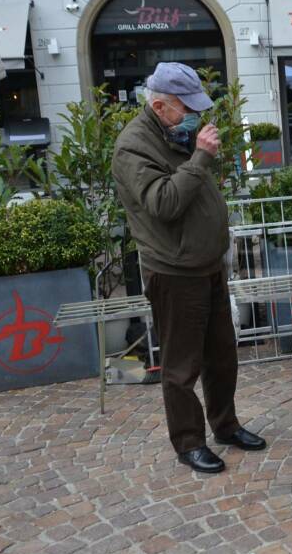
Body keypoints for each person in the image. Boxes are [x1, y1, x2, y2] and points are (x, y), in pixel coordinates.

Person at [113, 62, 267, 474]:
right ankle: (188, 442)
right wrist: (200, 157)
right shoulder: (134, 146)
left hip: (207, 264)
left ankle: (226, 425)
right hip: (174, 270)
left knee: (222, 355)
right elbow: (163, 203)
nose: (195, 115)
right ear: (160, 105)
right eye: (187, 108)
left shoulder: (173, 131)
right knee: (181, 367)